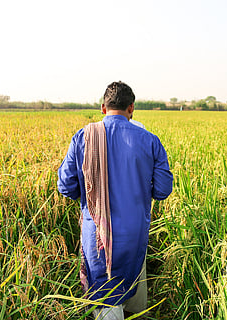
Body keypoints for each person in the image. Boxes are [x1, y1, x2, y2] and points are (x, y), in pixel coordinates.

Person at [57, 81, 173, 319]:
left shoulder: (84, 137)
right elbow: (162, 190)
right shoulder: (150, 141)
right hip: (135, 231)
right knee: (131, 286)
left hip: (98, 235)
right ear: (131, 109)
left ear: (103, 108)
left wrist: (93, 194)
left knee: (106, 296)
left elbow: (65, 185)